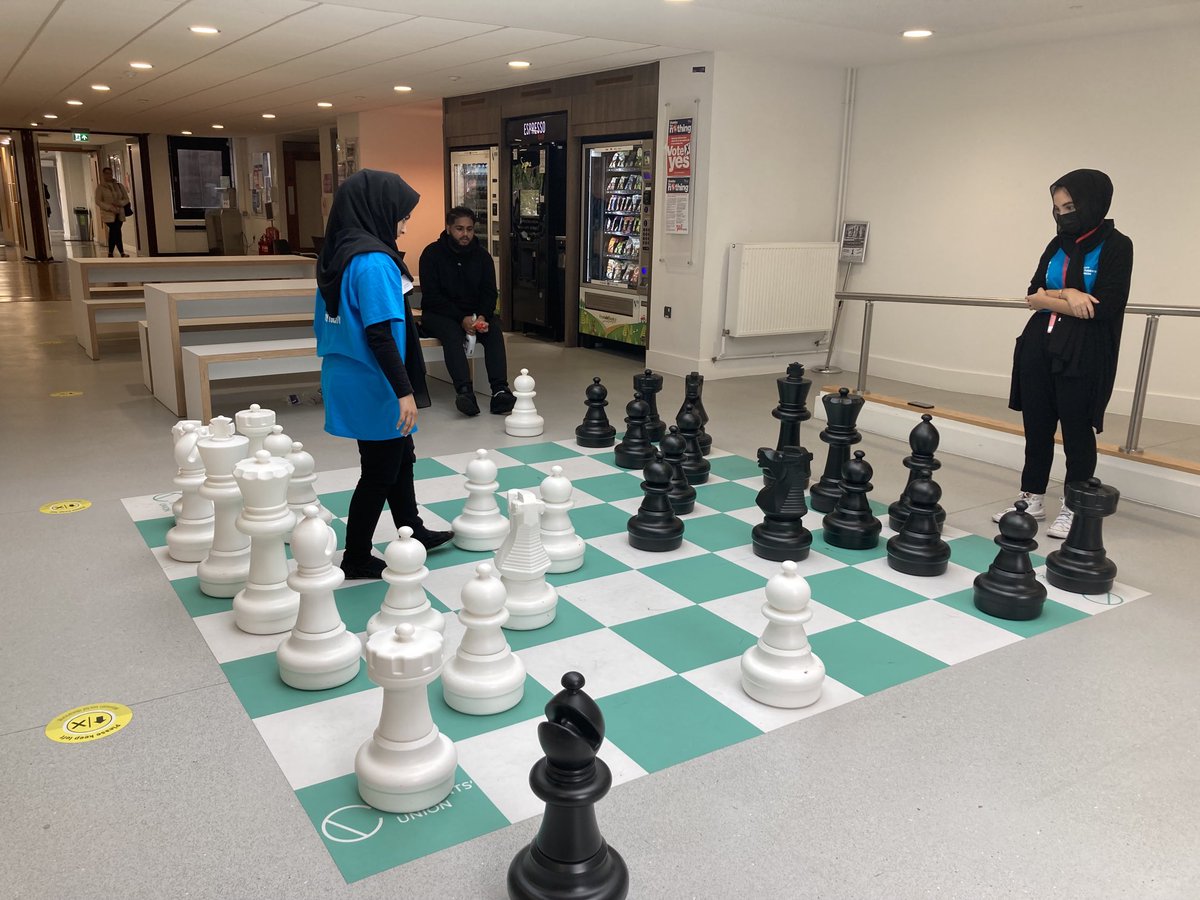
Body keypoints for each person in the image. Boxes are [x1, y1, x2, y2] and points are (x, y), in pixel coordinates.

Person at [314, 169, 452, 580]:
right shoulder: (374, 261)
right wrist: (404, 390)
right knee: (379, 470)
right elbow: (379, 333)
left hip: (348, 372)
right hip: (375, 379)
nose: (405, 223)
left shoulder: (339, 252)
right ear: (378, 210)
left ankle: (414, 529)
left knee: (399, 456)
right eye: (401, 214)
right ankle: (356, 555)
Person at [996, 169, 1134, 538]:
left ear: (1092, 203)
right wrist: (1070, 295)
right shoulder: (1056, 245)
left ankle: (1075, 505)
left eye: (1070, 206)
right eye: (1057, 208)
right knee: (1037, 426)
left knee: (1076, 428)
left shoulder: (1118, 245)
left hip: (1083, 352)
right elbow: (1032, 294)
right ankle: (1032, 496)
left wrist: (1051, 298)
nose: (1063, 215)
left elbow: (1104, 307)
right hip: (1039, 344)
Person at [417, 206, 517, 417]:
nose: (465, 234)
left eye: (469, 229)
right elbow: (432, 296)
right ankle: (464, 392)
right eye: (459, 229)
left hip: (473, 313)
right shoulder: (431, 254)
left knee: (493, 333)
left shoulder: (482, 256)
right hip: (439, 313)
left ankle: (500, 391)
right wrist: (460, 318)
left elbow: (489, 293)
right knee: (452, 335)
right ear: (448, 228)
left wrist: (482, 316)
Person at [94, 167, 130, 258]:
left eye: (110, 173)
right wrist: (109, 207)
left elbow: (126, 199)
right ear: (103, 175)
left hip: (119, 212)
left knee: (115, 231)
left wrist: (120, 203)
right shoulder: (100, 187)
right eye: (106, 173)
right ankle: (120, 252)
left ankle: (111, 253)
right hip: (108, 214)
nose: (108, 175)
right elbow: (98, 201)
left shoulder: (119, 186)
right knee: (115, 230)